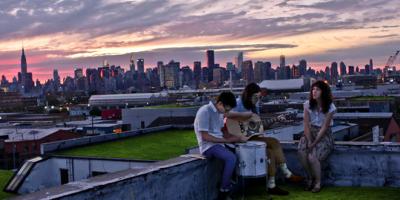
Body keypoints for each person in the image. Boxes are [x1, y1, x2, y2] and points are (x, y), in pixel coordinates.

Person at [225, 83, 303, 196]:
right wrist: (245, 115)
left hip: (251, 137)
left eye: (259, 97)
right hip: (239, 139)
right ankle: (287, 173)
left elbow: (258, 126)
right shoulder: (238, 103)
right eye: (255, 97)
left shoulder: (255, 106)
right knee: (274, 142)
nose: (257, 99)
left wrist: (275, 120)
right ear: (248, 95)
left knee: (270, 152)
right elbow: (226, 115)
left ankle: (271, 185)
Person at [194, 91, 248, 199]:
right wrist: (227, 141)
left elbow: (222, 132)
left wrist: (237, 137)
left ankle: (232, 182)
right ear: (220, 103)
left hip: (219, 144)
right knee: (231, 158)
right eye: (226, 109)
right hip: (208, 146)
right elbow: (205, 136)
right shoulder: (205, 111)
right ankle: (224, 191)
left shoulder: (219, 113)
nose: (227, 112)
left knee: (239, 152)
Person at [298, 80, 336, 193]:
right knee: (301, 152)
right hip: (310, 132)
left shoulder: (330, 107)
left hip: (324, 135)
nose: (314, 92)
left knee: (312, 157)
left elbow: (324, 127)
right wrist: (309, 140)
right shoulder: (307, 105)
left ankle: (318, 183)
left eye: (317, 89)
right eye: (313, 89)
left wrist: (314, 144)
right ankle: (310, 177)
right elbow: (305, 124)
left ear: (323, 92)